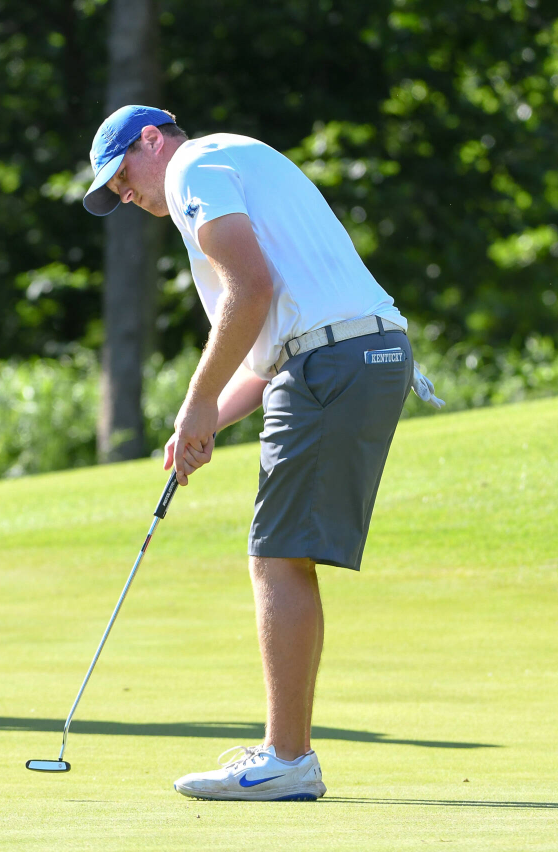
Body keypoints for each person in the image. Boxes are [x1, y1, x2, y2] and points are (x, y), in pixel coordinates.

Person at [83, 105, 442, 801]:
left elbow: (250, 291)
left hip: (334, 363)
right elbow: (269, 348)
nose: (125, 194)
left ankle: (286, 759)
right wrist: (204, 421)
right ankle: (288, 755)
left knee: (276, 555)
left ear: (151, 141)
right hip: (354, 354)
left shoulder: (193, 168)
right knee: (281, 552)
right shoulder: (235, 159)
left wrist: (192, 402)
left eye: (123, 174)